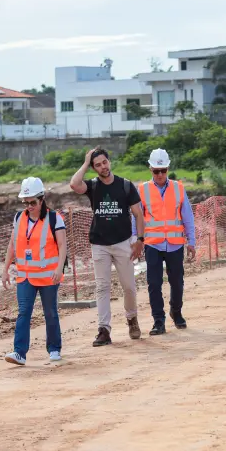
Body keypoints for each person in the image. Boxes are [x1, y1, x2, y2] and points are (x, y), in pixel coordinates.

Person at [70, 147, 144, 347]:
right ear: (94, 168)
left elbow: (138, 214)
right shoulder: (93, 186)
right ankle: (104, 330)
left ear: (109, 162)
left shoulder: (126, 186)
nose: (103, 167)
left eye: (104, 162)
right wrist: (85, 163)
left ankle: (132, 318)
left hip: (123, 243)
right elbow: (74, 184)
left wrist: (140, 240)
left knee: (128, 286)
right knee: (102, 287)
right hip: (99, 244)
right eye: (97, 165)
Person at [2, 177, 67, 365]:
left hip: (48, 276)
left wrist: (59, 268)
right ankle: (19, 353)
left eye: (33, 202)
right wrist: (5, 269)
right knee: (23, 312)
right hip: (25, 276)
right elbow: (12, 245)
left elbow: (62, 245)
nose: (29, 206)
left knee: (50, 312)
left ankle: (54, 348)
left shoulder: (55, 218)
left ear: (42, 199)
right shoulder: (18, 218)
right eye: (26, 202)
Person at [134, 149, 196, 336]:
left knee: (177, 282)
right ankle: (158, 321)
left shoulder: (178, 188)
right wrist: (136, 242)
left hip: (175, 243)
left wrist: (191, 241)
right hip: (152, 243)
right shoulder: (142, 189)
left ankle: (176, 312)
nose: (160, 175)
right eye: (156, 171)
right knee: (154, 283)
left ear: (168, 168)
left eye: (163, 170)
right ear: (150, 169)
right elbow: (135, 218)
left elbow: (187, 216)